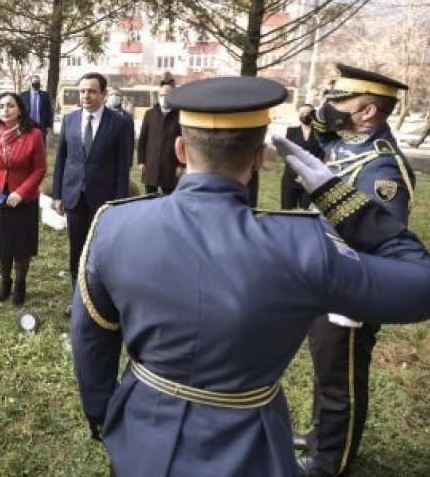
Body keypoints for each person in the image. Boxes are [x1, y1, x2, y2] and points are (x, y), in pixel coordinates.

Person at [70, 75, 430, 477]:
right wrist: (339, 198)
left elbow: (91, 337)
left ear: (181, 150)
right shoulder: (304, 245)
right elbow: (419, 283)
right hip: (250, 445)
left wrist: (104, 415)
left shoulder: (114, 224)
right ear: (259, 158)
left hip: (143, 433)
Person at [296, 64, 415, 477]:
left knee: (341, 380)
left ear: (367, 113)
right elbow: (321, 129)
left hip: (349, 291)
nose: (331, 104)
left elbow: (377, 237)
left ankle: (331, 462)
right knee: (326, 370)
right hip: (323, 279)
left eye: (341, 99)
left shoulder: (381, 170)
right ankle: (318, 438)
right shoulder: (348, 145)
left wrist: (353, 300)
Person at [52, 72, 132, 298]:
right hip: (74, 196)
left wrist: (118, 203)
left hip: (104, 199)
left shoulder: (120, 124)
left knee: (100, 250)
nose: (86, 95)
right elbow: (61, 159)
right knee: (76, 249)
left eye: (92, 91)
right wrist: (57, 195)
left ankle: (99, 297)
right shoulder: (69, 120)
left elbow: (122, 167)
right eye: (82, 91)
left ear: (104, 94)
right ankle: (77, 297)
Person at [0, 92, 46, 305]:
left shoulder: (33, 135)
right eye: (1, 106)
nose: (5, 110)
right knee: (1, 243)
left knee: (21, 245)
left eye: (10, 106)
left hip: (24, 200)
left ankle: (20, 284)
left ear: (20, 109)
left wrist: (21, 192)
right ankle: (5, 282)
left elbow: (40, 169)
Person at [137, 83, 182, 194]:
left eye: (166, 95)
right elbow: (142, 139)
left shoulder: (180, 116)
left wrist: (182, 165)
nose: (163, 98)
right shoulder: (150, 114)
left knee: (169, 197)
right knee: (149, 198)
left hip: (171, 166)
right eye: (161, 95)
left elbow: (184, 143)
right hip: (151, 164)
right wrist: (141, 161)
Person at [281, 103, 323, 209]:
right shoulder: (291, 131)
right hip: (291, 178)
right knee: (287, 210)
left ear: (313, 114)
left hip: (311, 180)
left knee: (307, 212)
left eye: (308, 113)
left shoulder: (320, 133)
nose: (305, 115)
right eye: (302, 113)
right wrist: (298, 173)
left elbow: (320, 156)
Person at [20, 74, 54, 146]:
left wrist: (49, 125)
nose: (36, 84)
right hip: (27, 125)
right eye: (34, 82)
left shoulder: (45, 95)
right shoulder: (23, 95)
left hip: (41, 126)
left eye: (38, 82)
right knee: (27, 146)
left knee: (41, 146)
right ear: (31, 83)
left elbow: (49, 111)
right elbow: (20, 110)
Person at [106, 88, 135, 168]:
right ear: (107, 97)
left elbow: (131, 140)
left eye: (117, 95)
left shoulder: (128, 117)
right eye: (111, 95)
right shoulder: (100, 115)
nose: (114, 97)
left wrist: (129, 162)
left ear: (121, 98)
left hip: (122, 160)